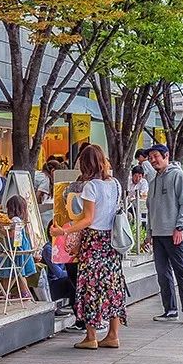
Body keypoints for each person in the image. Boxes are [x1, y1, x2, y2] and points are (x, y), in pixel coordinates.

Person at [61, 144, 128, 349]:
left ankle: (91, 337)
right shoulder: (115, 184)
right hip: (111, 241)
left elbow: (88, 219)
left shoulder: (91, 186)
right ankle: (113, 335)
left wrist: (63, 231)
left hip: (94, 241)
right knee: (112, 285)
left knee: (89, 286)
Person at [146, 144, 183, 325]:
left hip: (174, 233)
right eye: (150, 157)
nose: (153, 160)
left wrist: (180, 227)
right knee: (162, 273)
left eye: (156, 156)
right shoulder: (153, 181)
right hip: (157, 234)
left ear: (166, 156)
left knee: (181, 271)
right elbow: (150, 209)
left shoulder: (178, 175)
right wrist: (149, 233)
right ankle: (170, 309)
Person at [0, 195, 37, 299]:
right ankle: (18, 291)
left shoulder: (15, 220)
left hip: (14, 248)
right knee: (19, 273)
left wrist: (3, 232)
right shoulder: (21, 220)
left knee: (11, 272)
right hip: (20, 247)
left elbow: (14, 235)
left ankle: (13, 291)